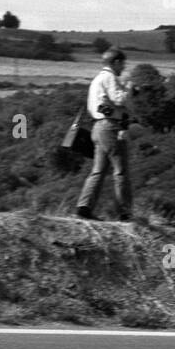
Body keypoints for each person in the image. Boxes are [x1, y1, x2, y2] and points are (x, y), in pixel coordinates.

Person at [76, 49, 133, 221]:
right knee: (120, 170)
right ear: (115, 62)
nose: (123, 67)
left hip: (98, 127)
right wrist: (129, 88)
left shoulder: (96, 80)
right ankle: (124, 212)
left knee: (98, 171)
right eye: (122, 63)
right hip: (111, 127)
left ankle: (84, 207)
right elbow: (119, 100)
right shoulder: (110, 78)